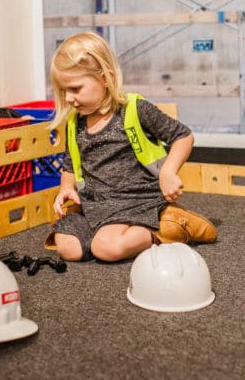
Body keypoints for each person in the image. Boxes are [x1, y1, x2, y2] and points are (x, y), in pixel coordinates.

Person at [46, 32, 217, 262]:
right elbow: (70, 163)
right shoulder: (75, 122)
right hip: (94, 204)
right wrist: (66, 188)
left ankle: (165, 228)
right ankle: (108, 232)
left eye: (75, 89)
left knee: (106, 249)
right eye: (63, 90)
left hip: (135, 201)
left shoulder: (134, 109)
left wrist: (168, 172)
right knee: (68, 248)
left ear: (105, 78)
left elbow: (183, 136)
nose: (68, 98)